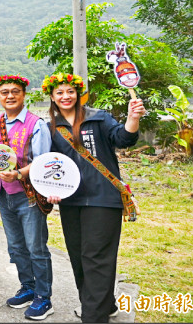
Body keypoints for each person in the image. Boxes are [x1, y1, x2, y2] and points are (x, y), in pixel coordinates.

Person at [43, 73, 145, 323]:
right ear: (52, 97)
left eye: (70, 91)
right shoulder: (50, 128)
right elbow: (48, 165)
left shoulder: (98, 118)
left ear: (78, 94)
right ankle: (104, 303)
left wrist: (133, 118)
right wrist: (50, 189)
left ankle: (93, 315)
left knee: (96, 257)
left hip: (103, 197)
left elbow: (123, 139)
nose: (65, 96)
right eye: (59, 93)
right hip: (71, 200)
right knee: (78, 256)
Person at [0, 74, 54, 320]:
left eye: (14, 91)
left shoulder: (36, 123)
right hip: (4, 194)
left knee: (36, 248)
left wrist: (18, 174)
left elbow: (43, 161)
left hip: (28, 194)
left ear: (23, 94)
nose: (9, 96)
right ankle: (27, 287)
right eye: (4, 92)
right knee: (16, 247)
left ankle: (44, 297)